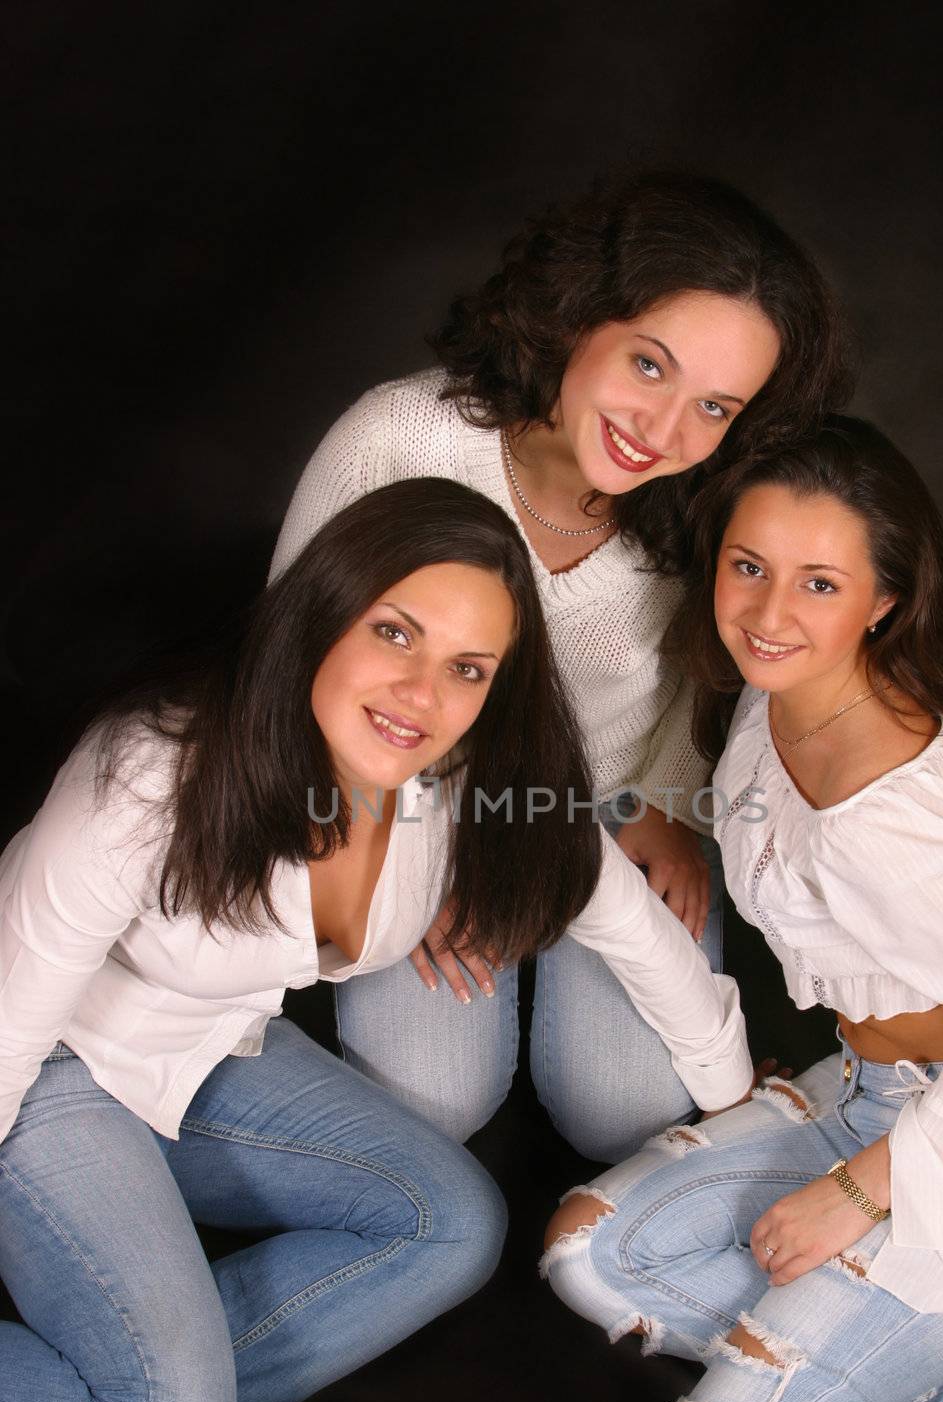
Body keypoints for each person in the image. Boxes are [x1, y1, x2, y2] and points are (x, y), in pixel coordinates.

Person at [0, 478, 755, 1402]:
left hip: (209, 1056)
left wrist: (743, 1116)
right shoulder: (153, 768)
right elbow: (15, 1007)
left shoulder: (468, 794)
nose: (420, 691)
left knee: (450, 1221)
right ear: (324, 614)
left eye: (467, 668)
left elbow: (642, 939)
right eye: (394, 632)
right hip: (45, 1057)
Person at [542, 419, 943, 1402]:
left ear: (881, 600)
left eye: (818, 582)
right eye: (747, 565)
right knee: (597, 1252)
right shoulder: (770, 701)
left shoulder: (891, 815)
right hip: (866, 1090)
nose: (768, 610)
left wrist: (854, 1189)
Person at [269, 171, 851, 1162]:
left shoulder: (711, 499)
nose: (664, 431)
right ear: (577, 316)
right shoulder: (395, 439)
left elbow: (709, 671)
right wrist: (396, 858)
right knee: (429, 1104)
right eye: (648, 365)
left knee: (622, 1111)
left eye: (713, 405)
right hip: (413, 804)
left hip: (608, 813)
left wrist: (665, 798)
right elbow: (287, 672)